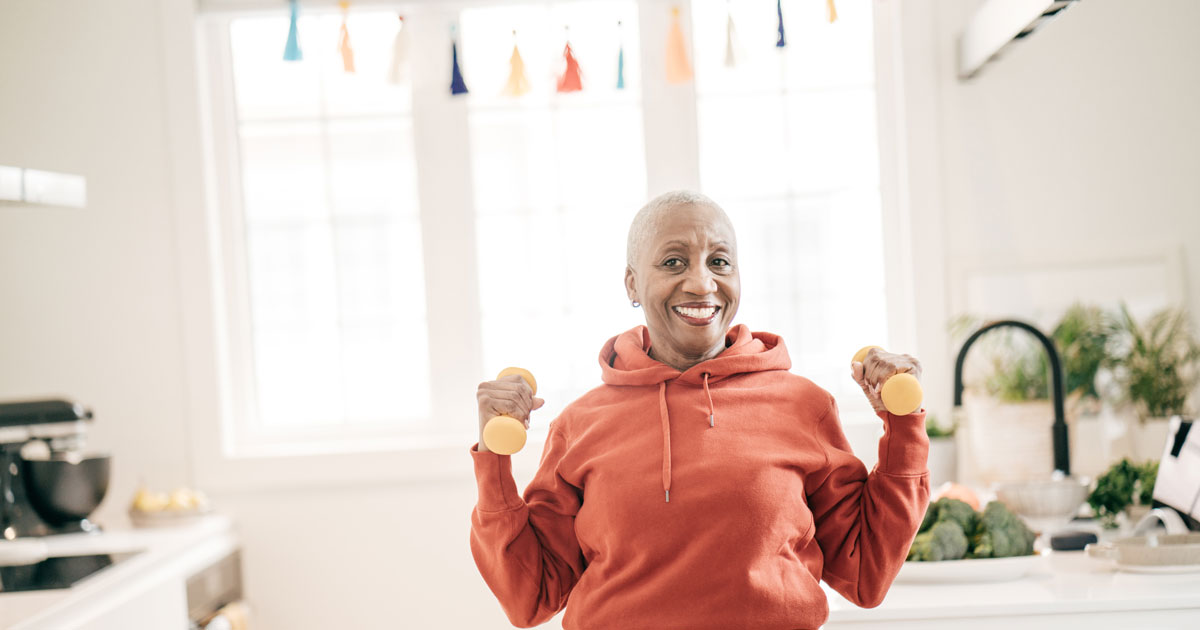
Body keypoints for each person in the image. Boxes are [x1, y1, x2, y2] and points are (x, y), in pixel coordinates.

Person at [469, 191, 929, 629]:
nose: (701, 283)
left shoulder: (803, 405)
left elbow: (867, 573)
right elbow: (529, 598)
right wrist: (495, 463)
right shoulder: (581, 423)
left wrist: (904, 426)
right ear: (632, 283)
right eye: (674, 262)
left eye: (719, 262)